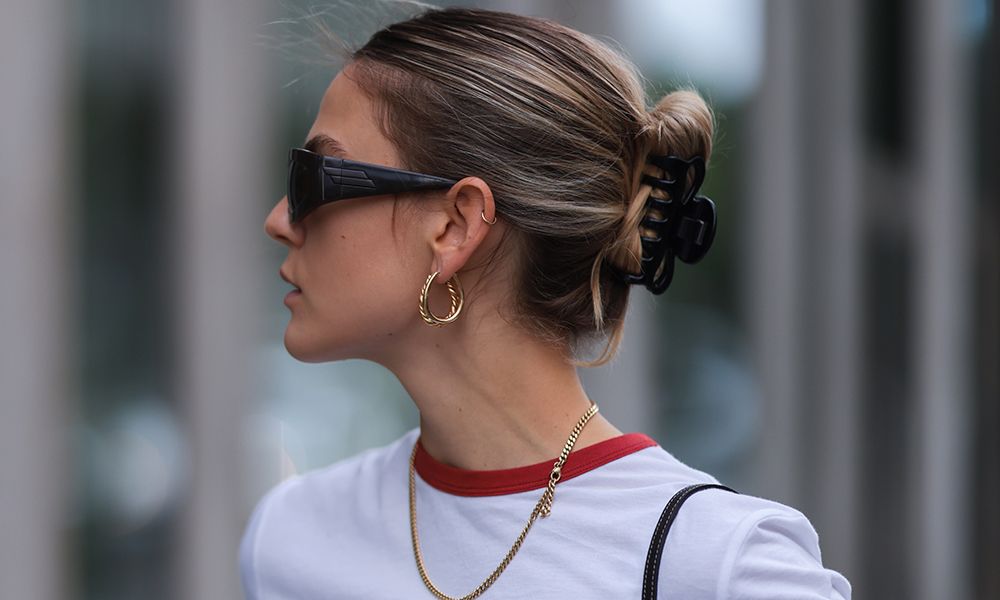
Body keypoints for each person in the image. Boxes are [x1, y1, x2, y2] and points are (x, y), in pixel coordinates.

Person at [242, 6, 851, 599]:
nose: (279, 220)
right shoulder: (291, 539)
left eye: (314, 179)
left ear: (456, 226)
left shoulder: (720, 567)